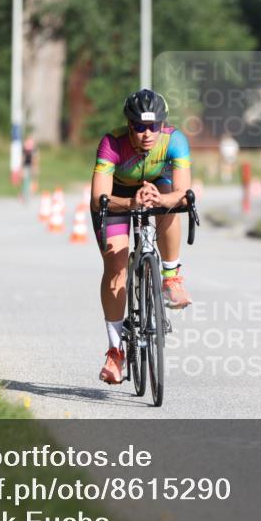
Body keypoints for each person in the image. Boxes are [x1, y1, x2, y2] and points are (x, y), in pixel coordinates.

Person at [90, 89, 193, 385]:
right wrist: (132, 203)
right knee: (116, 267)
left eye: (153, 127)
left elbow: (183, 195)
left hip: (157, 187)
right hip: (118, 197)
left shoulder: (175, 141)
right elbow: (99, 198)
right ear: (129, 124)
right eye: (138, 126)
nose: (147, 133)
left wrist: (159, 200)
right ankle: (115, 351)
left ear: (163, 124)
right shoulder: (112, 143)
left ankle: (171, 277)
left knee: (170, 202)